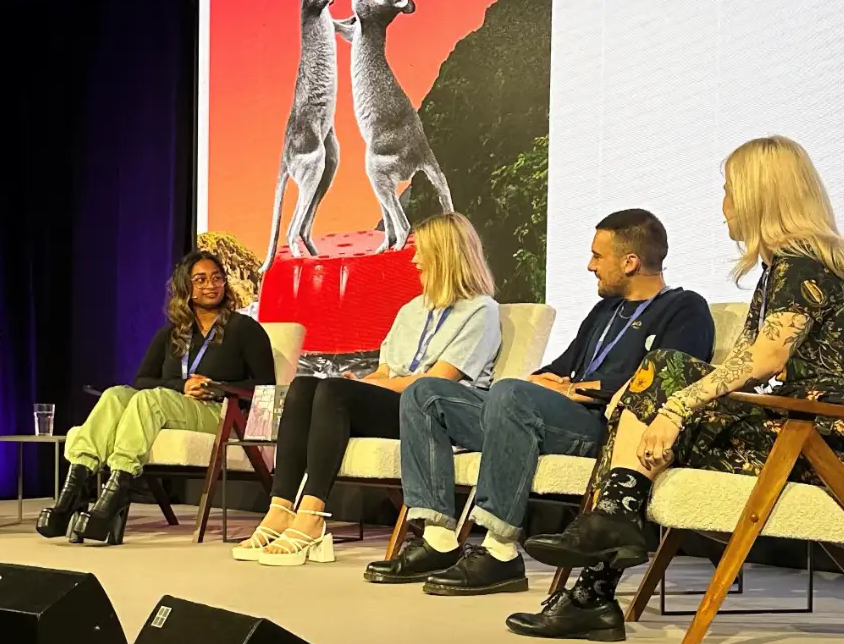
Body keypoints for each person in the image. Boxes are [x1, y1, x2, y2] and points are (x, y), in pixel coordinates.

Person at [512, 136, 844, 640]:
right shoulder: (786, 266)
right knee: (649, 395)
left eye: (730, 191)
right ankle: (608, 539)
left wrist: (674, 407)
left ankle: (596, 579)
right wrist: (648, 397)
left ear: (760, 196)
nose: (723, 205)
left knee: (664, 376)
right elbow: (743, 359)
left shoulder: (804, 262)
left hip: (832, 449)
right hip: (801, 431)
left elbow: (766, 357)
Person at [367, 209, 715, 595]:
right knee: (425, 393)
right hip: (557, 415)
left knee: (511, 393)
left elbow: (666, 379)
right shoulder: (604, 311)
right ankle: (437, 540)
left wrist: (577, 388)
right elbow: (559, 369)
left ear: (630, 262)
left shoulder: (685, 308)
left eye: (598, 257)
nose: (589, 265)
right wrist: (545, 380)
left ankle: (499, 552)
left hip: (609, 428)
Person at [239, 212, 502, 568]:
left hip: (433, 413)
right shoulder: (411, 309)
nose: (415, 260)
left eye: (422, 252)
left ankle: (313, 514)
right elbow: (384, 370)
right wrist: (362, 383)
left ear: (445, 256)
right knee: (303, 387)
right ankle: (280, 508)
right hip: (393, 401)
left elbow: (435, 382)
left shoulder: (481, 311)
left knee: (336, 393)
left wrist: (361, 387)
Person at [37, 248, 275, 544]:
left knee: (150, 400)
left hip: (221, 412)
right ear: (185, 288)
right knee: (115, 395)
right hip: (176, 405)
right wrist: (181, 385)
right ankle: (73, 493)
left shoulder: (244, 329)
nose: (210, 285)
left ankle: (115, 496)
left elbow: (267, 385)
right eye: (200, 280)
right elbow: (141, 380)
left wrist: (218, 384)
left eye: (216, 278)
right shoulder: (173, 332)